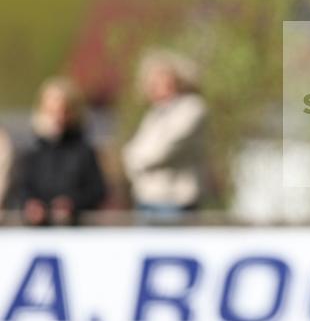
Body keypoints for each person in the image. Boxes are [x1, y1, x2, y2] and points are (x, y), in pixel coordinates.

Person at [122, 49, 208, 223]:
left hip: (176, 201)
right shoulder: (153, 114)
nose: (156, 86)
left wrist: (138, 160)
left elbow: (163, 150)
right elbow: (129, 152)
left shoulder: (192, 108)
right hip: (147, 199)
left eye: (162, 79)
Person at [17, 77, 106, 226]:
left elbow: (97, 191)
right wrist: (30, 204)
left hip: (75, 232)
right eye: (51, 111)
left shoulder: (83, 151)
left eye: (63, 112)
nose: (57, 118)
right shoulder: (33, 151)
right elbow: (22, 188)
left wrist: (73, 204)